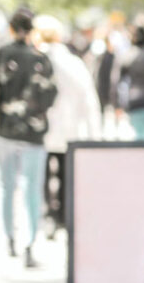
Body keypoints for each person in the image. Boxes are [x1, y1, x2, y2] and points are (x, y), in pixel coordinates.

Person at [0, 7, 58, 267]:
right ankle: (29, 242)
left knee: (6, 184)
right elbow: (50, 96)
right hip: (33, 133)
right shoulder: (40, 59)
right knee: (31, 188)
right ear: (31, 30)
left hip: (4, 130)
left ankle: (9, 237)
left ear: (11, 28)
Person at [33, 15, 101, 237]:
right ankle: (62, 214)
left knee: (41, 173)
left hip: (40, 128)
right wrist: (94, 133)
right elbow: (88, 98)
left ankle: (47, 214)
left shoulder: (36, 59)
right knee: (64, 172)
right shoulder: (72, 61)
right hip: (68, 128)